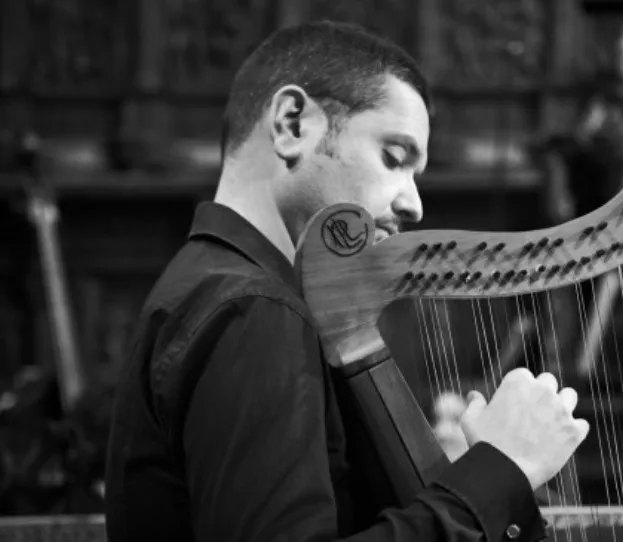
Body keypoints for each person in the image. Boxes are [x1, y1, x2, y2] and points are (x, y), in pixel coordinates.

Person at [104, 21, 589, 542]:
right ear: (292, 123)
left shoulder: (214, 283)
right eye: (394, 158)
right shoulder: (254, 309)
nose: (414, 204)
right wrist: (497, 471)